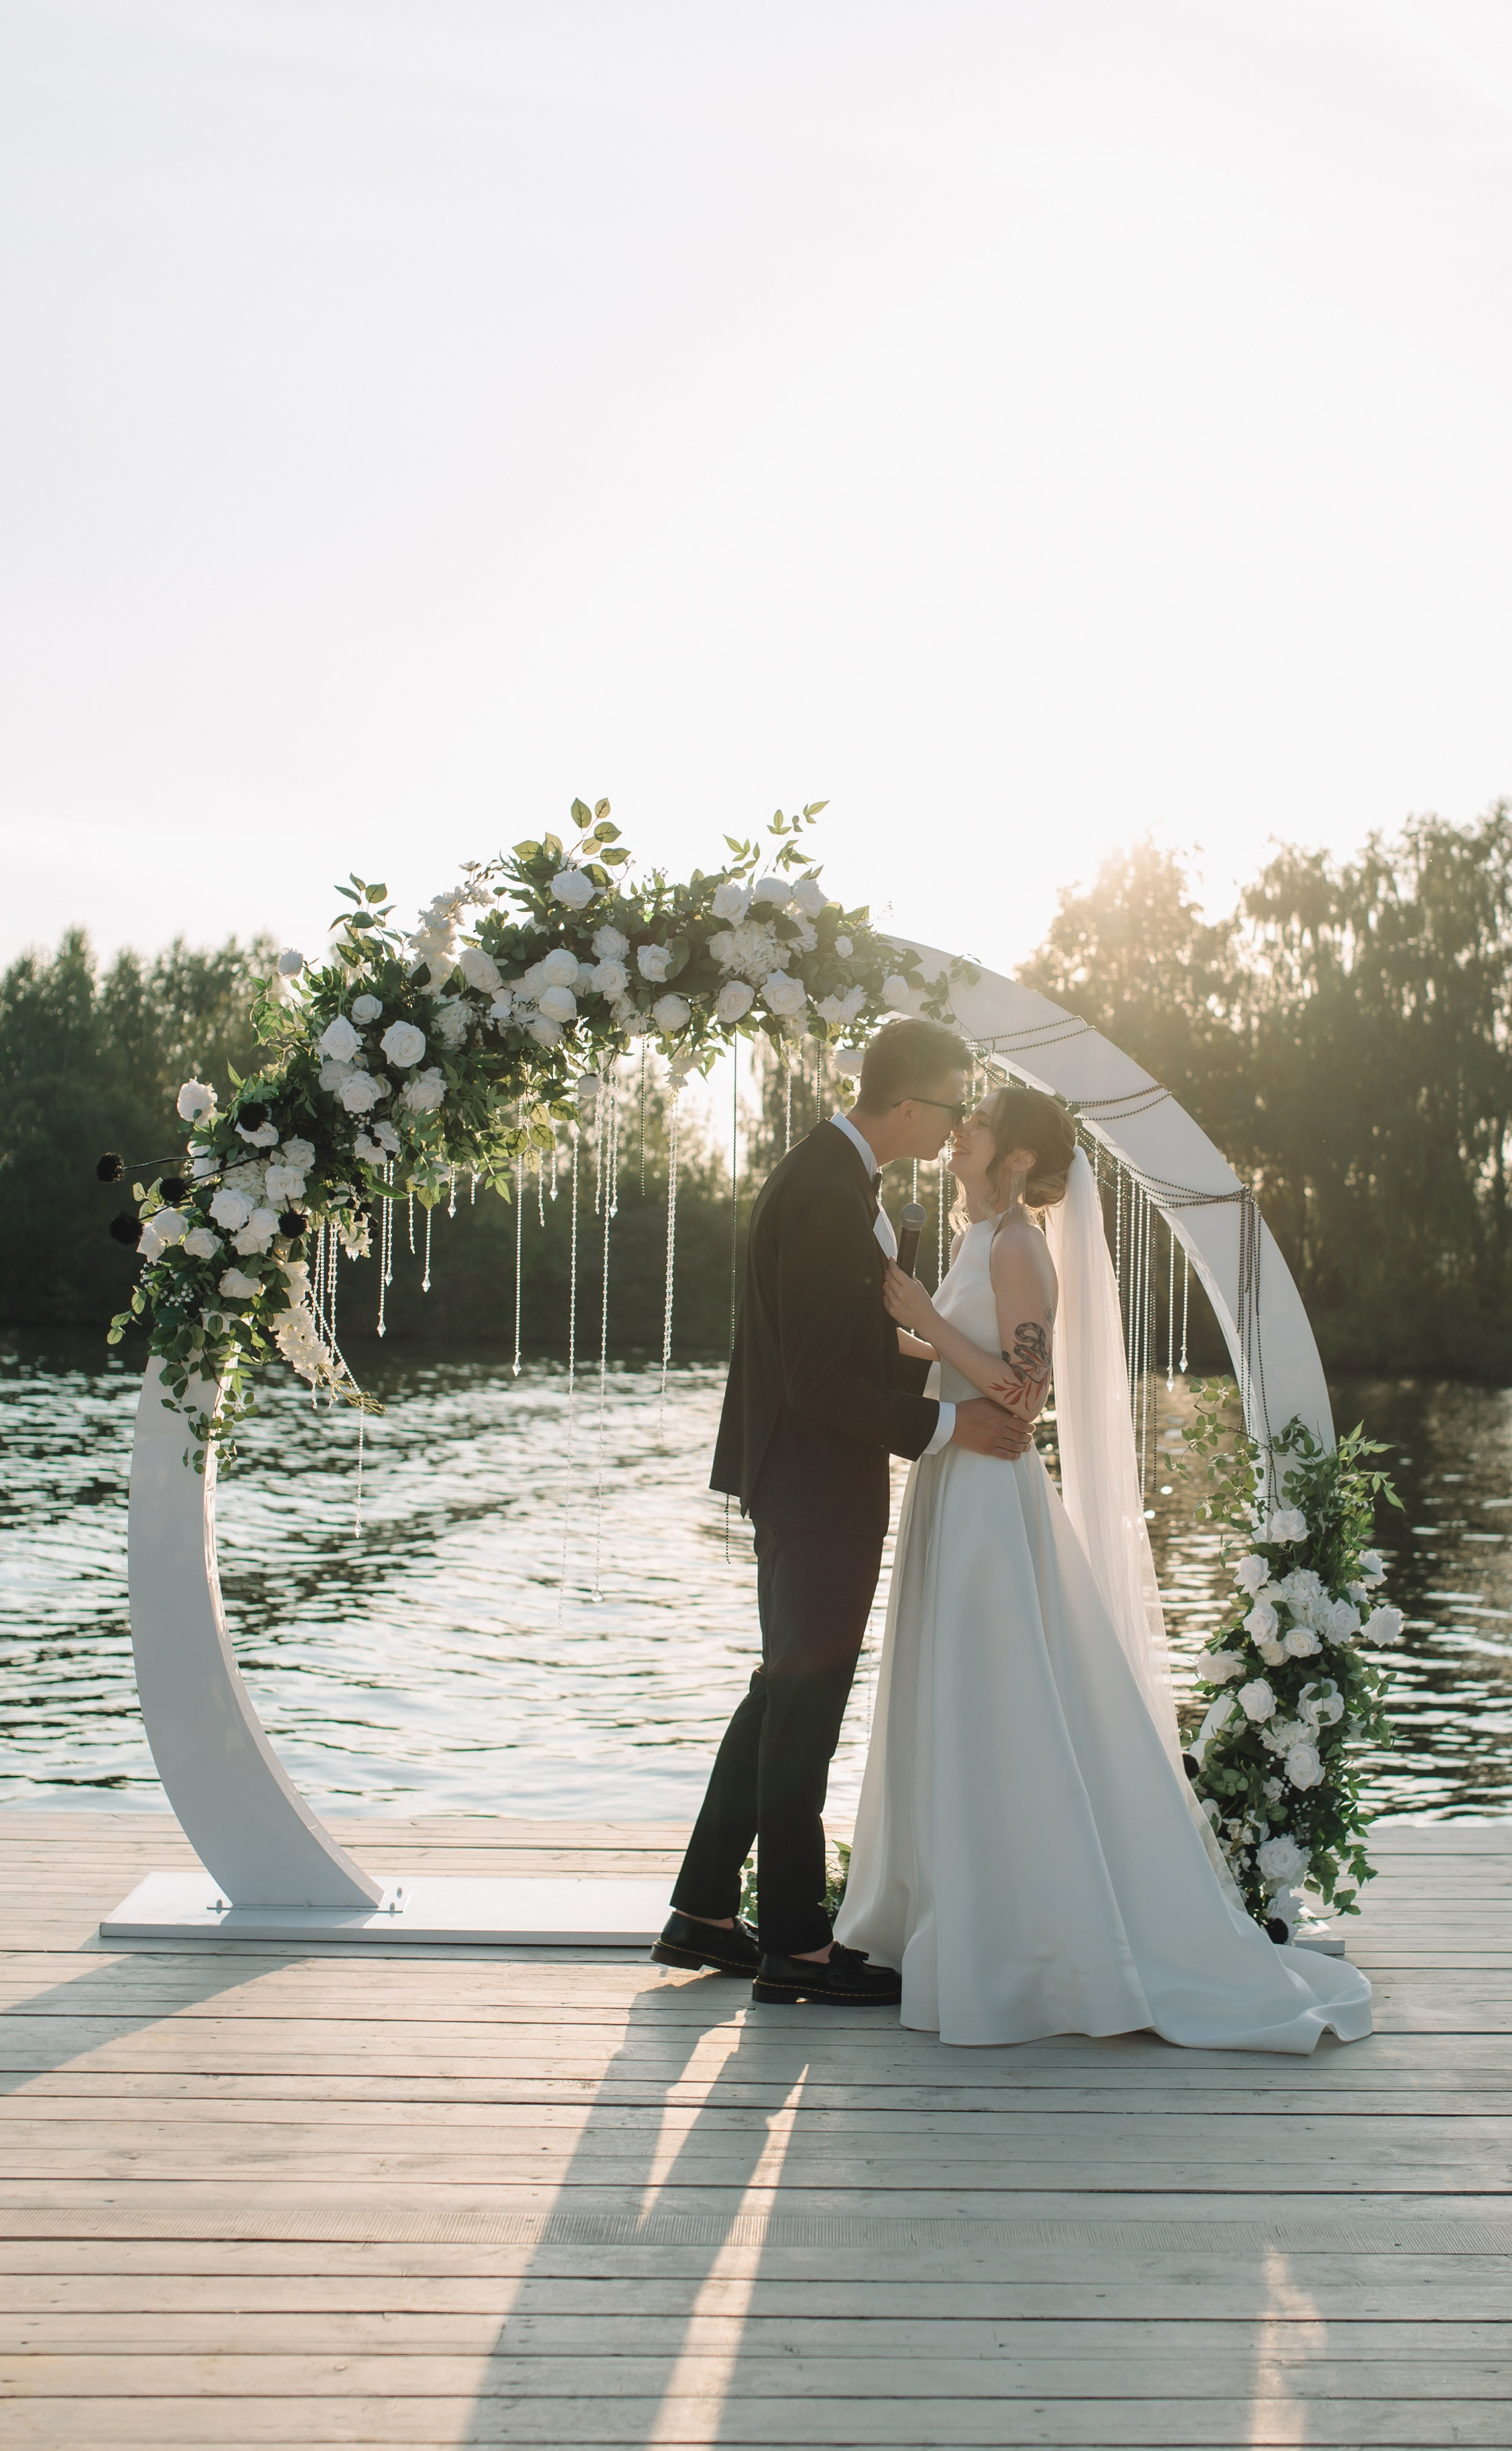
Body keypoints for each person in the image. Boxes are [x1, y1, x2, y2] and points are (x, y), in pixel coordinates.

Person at [835, 1081, 1374, 2051]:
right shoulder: (975, 1238)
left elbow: (1021, 1392)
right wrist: (897, 1329)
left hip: (993, 1503)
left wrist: (921, 1315)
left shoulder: (1017, 1248)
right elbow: (962, 1364)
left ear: (1018, 1160)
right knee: (950, 1695)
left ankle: (1022, 1940)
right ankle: (948, 1908)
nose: (956, 1134)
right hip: (949, 1486)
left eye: (977, 1126)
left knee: (997, 1694)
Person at [652, 1019, 1034, 2005]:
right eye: (950, 1106)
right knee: (805, 1708)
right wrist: (950, 1427)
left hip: (802, 1476)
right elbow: (821, 1379)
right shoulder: (826, 1193)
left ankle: (702, 1905)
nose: (954, 1125)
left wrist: (940, 1367)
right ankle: (796, 1947)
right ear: (908, 1104)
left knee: (781, 1691)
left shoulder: (832, 1177)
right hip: (818, 1482)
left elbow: (841, 1344)